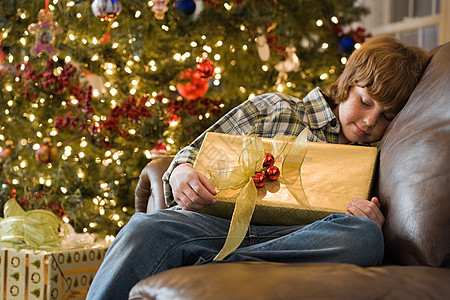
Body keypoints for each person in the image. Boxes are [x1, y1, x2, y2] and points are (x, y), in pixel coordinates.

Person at [86, 36, 428, 299]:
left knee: (364, 238)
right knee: (145, 229)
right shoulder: (273, 107)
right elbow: (190, 153)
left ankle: (209, 268)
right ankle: (211, 260)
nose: (370, 121)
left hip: (291, 241)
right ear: (346, 83)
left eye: (386, 116)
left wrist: (370, 219)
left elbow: (360, 230)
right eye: (364, 101)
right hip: (214, 223)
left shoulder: (378, 157)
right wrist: (180, 173)